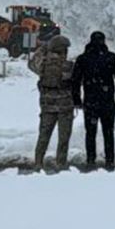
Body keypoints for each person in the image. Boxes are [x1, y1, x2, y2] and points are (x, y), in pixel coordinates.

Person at [71, 31, 115, 170]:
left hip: (90, 101)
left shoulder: (83, 59)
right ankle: (109, 159)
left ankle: (91, 159)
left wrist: (76, 99)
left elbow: (75, 81)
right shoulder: (111, 58)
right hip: (107, 101)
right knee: (108, 131)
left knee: (90, 132)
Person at [27, 34, 75, 170]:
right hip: (65, 107)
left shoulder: (43, 65)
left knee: (43, 136)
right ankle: (61, 163)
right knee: (63, 138)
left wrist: (43, 48)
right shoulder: (68, 66)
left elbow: (31, 63)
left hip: (47, 107)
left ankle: (38, 162)